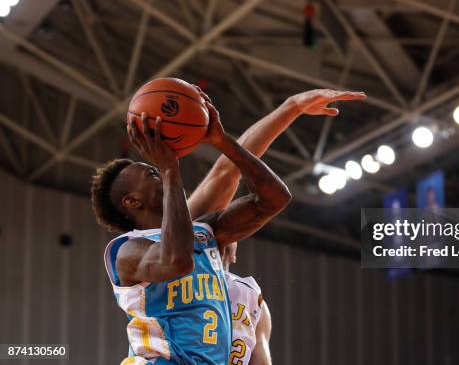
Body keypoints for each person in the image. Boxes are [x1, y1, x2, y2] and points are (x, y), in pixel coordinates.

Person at [91, 90, 292, 365]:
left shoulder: (205, 231)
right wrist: (169, 170)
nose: (158, 169)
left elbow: (274, 199)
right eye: (151, 173)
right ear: (132, 201)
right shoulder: (127, 251)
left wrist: (222, 141)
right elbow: (178, 260)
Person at [187, 89, 366, 365]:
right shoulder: (174, 252)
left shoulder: (251, 300)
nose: (219, 218)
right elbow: (226, 172)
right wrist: (290, 108)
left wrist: (292, 106)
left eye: (223, 222)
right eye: (212, 223)